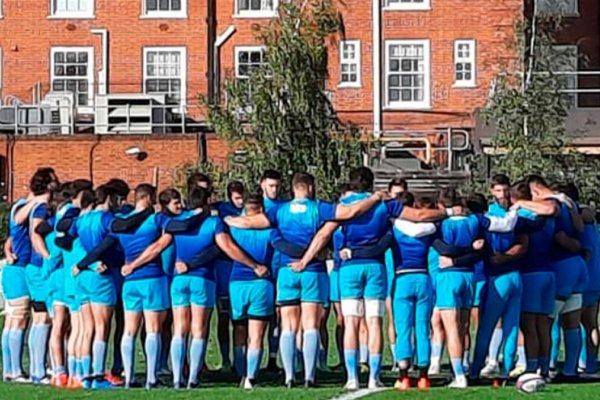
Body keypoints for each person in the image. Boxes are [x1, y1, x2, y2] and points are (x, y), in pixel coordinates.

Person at [290, 167, 452, 390]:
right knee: (374, 321)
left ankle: (352, 377)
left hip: (349, 269)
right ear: (371, 182)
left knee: (351, 323)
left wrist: (304, 260)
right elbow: (419, 215)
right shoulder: (383, 204)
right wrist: (447, 213)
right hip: (375, 267)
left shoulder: (345, 206)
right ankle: (374, 377)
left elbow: (324, 234)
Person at [226, 171, 388, 388]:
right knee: (311, 324)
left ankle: (289, 376)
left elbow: (250, 224)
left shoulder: (279, 210)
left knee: (289, 326)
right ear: (310, 188)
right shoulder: (319, 208)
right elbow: (350, 212)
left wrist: (228, 218)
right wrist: (374, 198)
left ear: (293, 188)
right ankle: (310, 376)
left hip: (286, 271)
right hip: (313, 270)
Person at [228, 194, 275, 389]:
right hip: (261, 283)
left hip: (236, 283)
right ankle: (250, 378)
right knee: (257, 334)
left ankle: (239, 372)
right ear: (261, 210)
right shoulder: (270, 230)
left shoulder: (232, 227)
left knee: (239, 330)